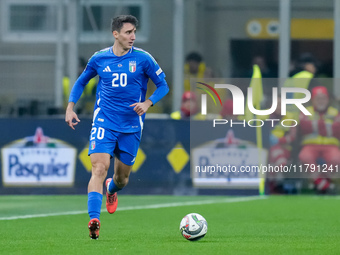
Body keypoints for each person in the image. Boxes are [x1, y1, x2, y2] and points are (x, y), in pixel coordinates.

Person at [65, 15, 169, 239]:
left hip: (131, 126)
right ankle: (94, 219)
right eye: (128, 32)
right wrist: (70, 107)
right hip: (104, 121)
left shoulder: (143, 59)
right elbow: (82, 80)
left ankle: (111, 189)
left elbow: (163, 85)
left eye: (134, 32)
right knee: (98, 168)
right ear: (116, 34)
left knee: (121, 179)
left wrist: (148, 102)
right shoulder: (99, 59)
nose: (133, 36)